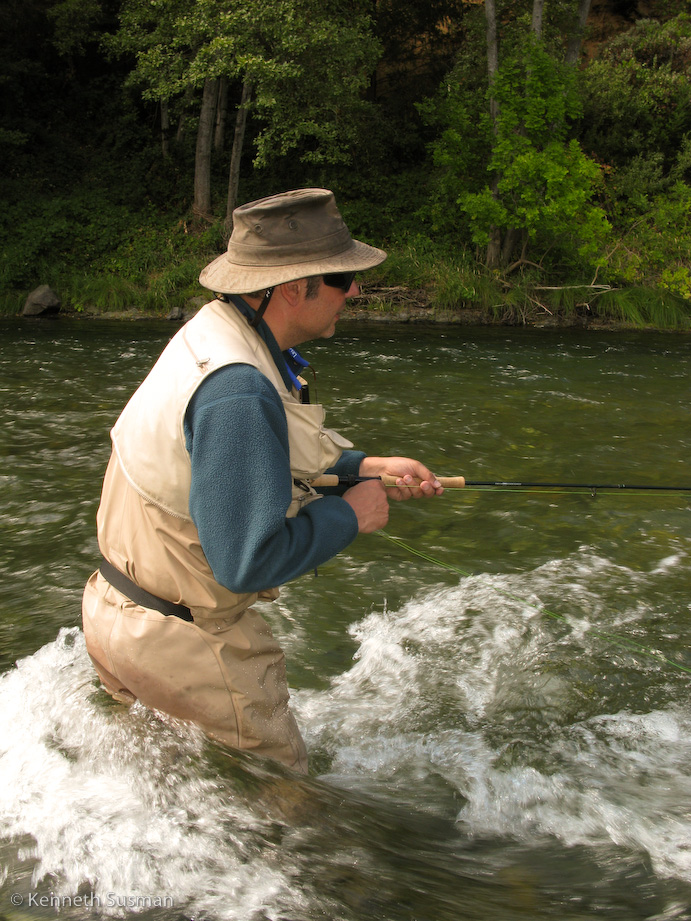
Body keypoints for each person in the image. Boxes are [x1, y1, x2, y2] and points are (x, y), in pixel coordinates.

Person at [82, 188, 443, 774]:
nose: (355, 292)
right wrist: (353, 514)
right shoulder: (239, 392)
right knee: (286, 808)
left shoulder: (215, 333)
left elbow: (246, 457)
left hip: (116, 614)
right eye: (340, 279)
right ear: (293, 288)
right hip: (185, 644)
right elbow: (247, 562)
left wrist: (363, 469)